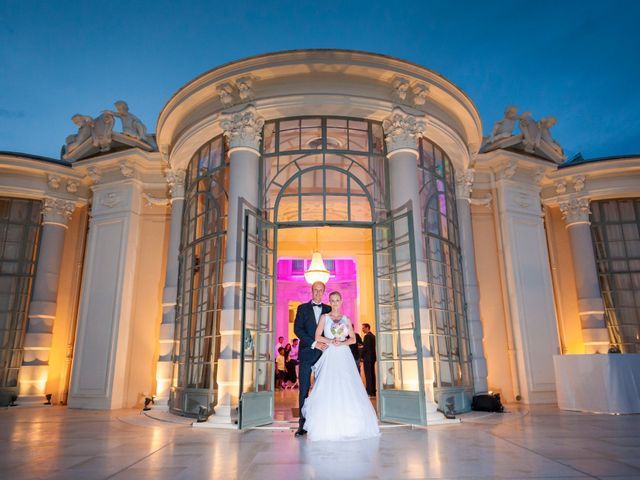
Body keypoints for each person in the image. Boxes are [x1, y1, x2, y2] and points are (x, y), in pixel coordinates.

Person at [301, 291, 379, 441]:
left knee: (346, 383)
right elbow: (317, 336)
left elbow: (353, 339)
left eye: (337, 300)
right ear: (329, 302)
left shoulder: (346, 319)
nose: (335, 303)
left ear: (341, 301)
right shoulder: (325, 317)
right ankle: (327, 423)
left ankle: (350, 423)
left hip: (343, 354)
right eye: (332, 300)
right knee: (328, 384)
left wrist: (341, 342)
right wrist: (331, 341)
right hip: (330, 353)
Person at [293, 282, 331, 437]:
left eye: (320, 290)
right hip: (307, 353)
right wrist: (315, 343)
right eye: (315, 290)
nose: (317, 292)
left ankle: (322, 422)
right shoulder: (302, 308)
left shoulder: (329, 309)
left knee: (323, 388)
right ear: (311, 291)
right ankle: (302, 425)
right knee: (304, 389)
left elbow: (332, 331)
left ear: (324, 292)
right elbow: (297, 330)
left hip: (324, 355)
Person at [361, 323, 377, 397]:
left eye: (363, 328)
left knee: (368, 375)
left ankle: (369, 391)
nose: (362, 329)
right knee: (372, 374)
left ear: (367, 328)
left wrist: (361, 356)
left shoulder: (367, 336)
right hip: (372, 358)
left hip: (367, 358)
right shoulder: (373, 336)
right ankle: (373, 390)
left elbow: (365, 348)